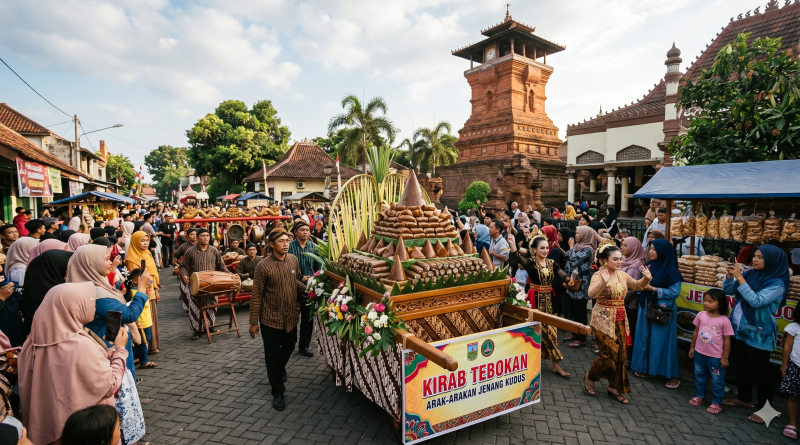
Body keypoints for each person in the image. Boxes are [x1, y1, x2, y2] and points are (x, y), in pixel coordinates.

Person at [18, 282, 130, 445]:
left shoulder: (32, 343)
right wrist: (120, 350)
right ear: (72, 306)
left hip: (46, 428)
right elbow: (110, 384)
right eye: (88, 301)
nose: (93, 306)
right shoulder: (79, 346)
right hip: (89, 430)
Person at [722, 245, 789, 424]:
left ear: (773, 261)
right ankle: (744, 399)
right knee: (741, 366)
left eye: (760, 257)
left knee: (761, 372)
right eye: (755, 256)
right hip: (739, 328)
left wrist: (740, 277)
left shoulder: (777, 283)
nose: (755, 260)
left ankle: (766, 411)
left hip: (759, 333)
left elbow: (756, 301)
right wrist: (729, 276)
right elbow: (728, 290)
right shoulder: (750, 274)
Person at [583, 244, 652, 404]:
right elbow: (591, 294)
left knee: (621, 355)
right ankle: (590, 376)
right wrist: (603, 282)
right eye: (615, 259)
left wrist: (646, 279)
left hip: (620, 320)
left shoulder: (622, 275)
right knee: (609, 354)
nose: (619, 262)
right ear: (604, 261)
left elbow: (636, 286)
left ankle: (614, 387)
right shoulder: (599, 275)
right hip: (602, 320)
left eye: (621, 259)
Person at [69, 245, 150, 383]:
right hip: (107, 347)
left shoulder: (94, 285)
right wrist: (141, 288)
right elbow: (129, 315)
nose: (111, 263)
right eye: (107, 259)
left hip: (111, 340)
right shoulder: (96, 294)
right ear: (92, 263)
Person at [249, 229, 306, 411]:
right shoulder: (263, 266)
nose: (286, 244)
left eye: (287, 240)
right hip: (270, 318)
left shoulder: (293, 260)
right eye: (281, 241)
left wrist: (310, 289)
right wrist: (253, 322)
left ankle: (279, 367)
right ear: (271, 244)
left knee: (290, 346)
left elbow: (293, 281)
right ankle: (278, 391)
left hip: (291, 316)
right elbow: (257, 295)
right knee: (272, 354)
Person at [509, 234, 577, 377]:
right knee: (533, 332)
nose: (546, 250)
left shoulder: (552, 263)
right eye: (542, 248)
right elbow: (518, 258)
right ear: (534, 249)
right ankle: (529, 363)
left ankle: (556, 365)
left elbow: (561, 274)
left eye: (547, 248)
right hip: (534, 301)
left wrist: (569, 280)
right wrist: (513, 246)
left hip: (550, 302)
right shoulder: (531, 263)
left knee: (552, 333)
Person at [631, 239, 683, 388]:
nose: (651, 252)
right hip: (646, 306)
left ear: (663, 252)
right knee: (645, 338)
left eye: (654, 249)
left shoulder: (672, 271)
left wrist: (652, 289)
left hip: (662, 310)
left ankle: (671, 375)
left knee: (662, 341)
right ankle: (648, 369)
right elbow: (640, 285)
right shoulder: (649, 266)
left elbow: (674, 293)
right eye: (650, 249)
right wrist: (640, 285)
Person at [688, 288, 733, 415]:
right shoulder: (700, 315)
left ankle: (717, 402)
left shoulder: (724, 321)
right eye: (705, 300)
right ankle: (700, 396)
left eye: (710, 301)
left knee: (717, 380)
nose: (706, 303)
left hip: (715, 357)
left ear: (720, 304)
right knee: (699, 376)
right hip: (699, 353)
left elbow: (727, 340)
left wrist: (725, 357)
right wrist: (692, 347)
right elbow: (695, 332)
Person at [179, 229, 229, 340]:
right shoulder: (190, 251)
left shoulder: (214, 250)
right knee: (195, 308)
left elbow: (221, 267)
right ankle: (197, 330)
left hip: (211, 284)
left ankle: (210, 327)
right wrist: (184, 275)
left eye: (207, 235)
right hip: (195, 284)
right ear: (197, 238)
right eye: (203, 236)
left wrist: (231, 276)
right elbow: (183, 266)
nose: (206, 237)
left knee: (212, 306)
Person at [125, 231, 162, 356]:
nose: (145, 243)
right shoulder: (131, 258)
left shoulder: (148, 253)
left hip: (151, 290)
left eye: (147, 240)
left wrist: (156, 290)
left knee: (150, 319)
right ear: (135, 242)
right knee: (143, 320)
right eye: (142, 241)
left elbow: (154, 273)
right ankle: (143, 350)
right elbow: (136, 277)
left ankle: (152, 345)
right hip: (140, 292)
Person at [563, 227, 600, 348]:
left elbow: (573, 259)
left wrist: (571, 247)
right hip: (572, 282)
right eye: (576, 232)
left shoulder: (588, 249)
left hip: (582, 285)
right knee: (573, 310)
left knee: (580, 312)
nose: (576, 235)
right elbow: (567, 258)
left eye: (578, 233)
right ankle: (575, 333)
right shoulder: (578, 246)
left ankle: (582, 338)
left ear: (585, 235)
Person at [288, 220, 320, 358]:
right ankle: (288, 345)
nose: (305, 232)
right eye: (302, 230)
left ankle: (304, 346)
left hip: (309, 289)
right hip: (292, 288)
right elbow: (286, 267)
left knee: (307, 320)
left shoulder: (313, 247)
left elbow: (319, 266)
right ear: (295, 232)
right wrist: (300, 278)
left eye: (307, 230)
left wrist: (314, 277)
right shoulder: (289, 247)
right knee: (291, 319)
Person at [22, 250, 71, 337]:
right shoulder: (55, 295)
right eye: (66, 270)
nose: (69, 274)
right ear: (55, 269)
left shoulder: (37, 288)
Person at [620, 237, 646, 358]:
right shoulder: (624, 259)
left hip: (630, 304)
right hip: (621, 302)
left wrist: (617, 298)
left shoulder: (636, 265)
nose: (622, 247)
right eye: (622, 245)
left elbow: (631, 287)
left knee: (629, 330)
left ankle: (629, 357)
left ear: (634, 248)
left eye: (625, 245)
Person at [781, 308, 800, 439]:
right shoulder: (794, 327)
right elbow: (787, 346)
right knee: (794, 396)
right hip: (796, 367)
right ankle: (792, 424)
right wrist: (784, 364)